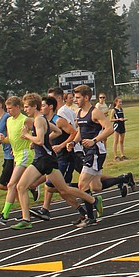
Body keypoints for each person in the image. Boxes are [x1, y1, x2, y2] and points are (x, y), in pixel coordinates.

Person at [11, 93, 98, 230]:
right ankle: (93, 200)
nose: (25, 109)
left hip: (43, 160)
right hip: (47, 158)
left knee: (21, 187)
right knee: (64, 189)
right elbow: (57, 131)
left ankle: (26, 219)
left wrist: (28, 136)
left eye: (27, 107)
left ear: (35, 106)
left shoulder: (39, 120)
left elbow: (39, 140)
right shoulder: (41, 119)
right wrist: (46, 141)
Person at [0, 96, 35, 225]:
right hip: (17, 155)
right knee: (19, 186)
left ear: (18, 107)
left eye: (11, 109)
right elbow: (11, 138)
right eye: (7, 109)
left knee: (11, 184)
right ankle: (26, 215)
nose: (8, 111)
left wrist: (32, 141)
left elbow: (39, 132)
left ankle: (5, 214)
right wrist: (4, 139)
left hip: (25, 154)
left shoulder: (25, 120)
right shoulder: (9, 121)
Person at [73, 85, 114, 216]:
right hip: (88, 151)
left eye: (78, 97)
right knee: (96, 187)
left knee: (82, 185)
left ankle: (90, 217)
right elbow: (81, 131)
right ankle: (123, 179)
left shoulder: (94, 112)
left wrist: (94, 140)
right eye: (75, 97)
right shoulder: (79, 113)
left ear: (86, 97)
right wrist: (73, 142)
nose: (75, 100)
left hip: (95, 152)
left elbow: (109, 129)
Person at [110, 96, 127, 160]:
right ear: (116, 102)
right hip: (117, 126)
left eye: (121, 102)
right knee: (116, 141)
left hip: (122, 125)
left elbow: (122, 117)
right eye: (119, 102)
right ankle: (115, 156)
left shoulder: (121, 109)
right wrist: (118, 119)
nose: (121, 103)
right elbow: (111, 119)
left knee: (121, 141)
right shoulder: (114, 110)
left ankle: (122, 154)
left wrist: (123, 119)